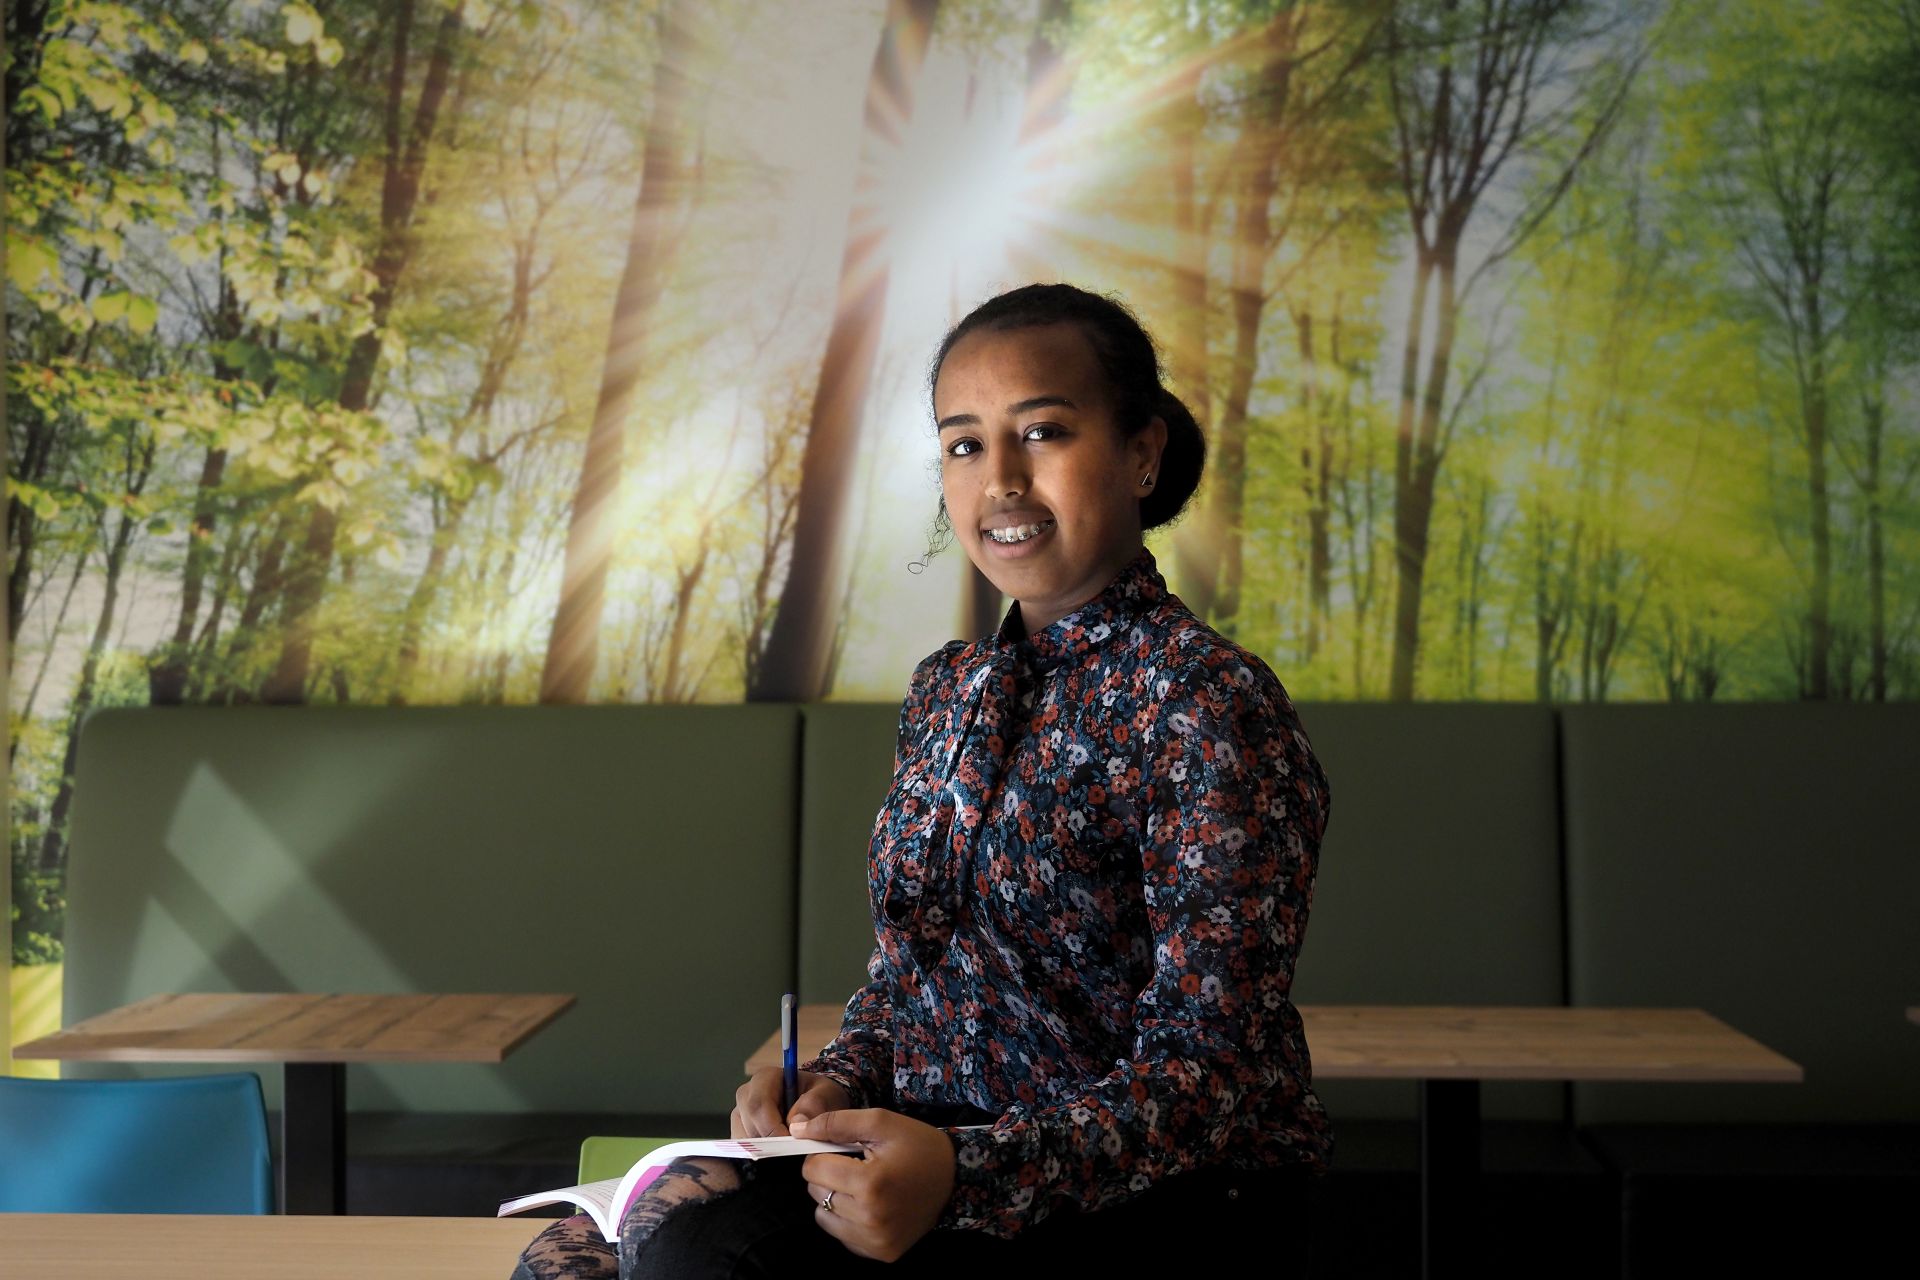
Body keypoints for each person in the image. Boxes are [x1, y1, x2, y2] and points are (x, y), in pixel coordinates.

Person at [512, 282, 1331, 1279]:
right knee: (573, 1254)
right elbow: (914, 976)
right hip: (931, 1146)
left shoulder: (1207, 699)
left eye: (1043, 432)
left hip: (1158, 1197)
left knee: (705, 1254)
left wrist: (965, 1172)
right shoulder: (949, 690)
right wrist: (833, 1079)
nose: (1002, 480)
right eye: (965, 444)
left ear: (1141, 452)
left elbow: (1212, 1073)